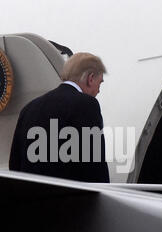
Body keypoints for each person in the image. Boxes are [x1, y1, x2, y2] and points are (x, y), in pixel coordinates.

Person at [9, 53, 110, 183]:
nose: (98, 91)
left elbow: (15, 164)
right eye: (99, 84)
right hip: (69, 199)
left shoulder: (29, 108)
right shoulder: (87, 105)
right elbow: (94, 164)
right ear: (90, 78)